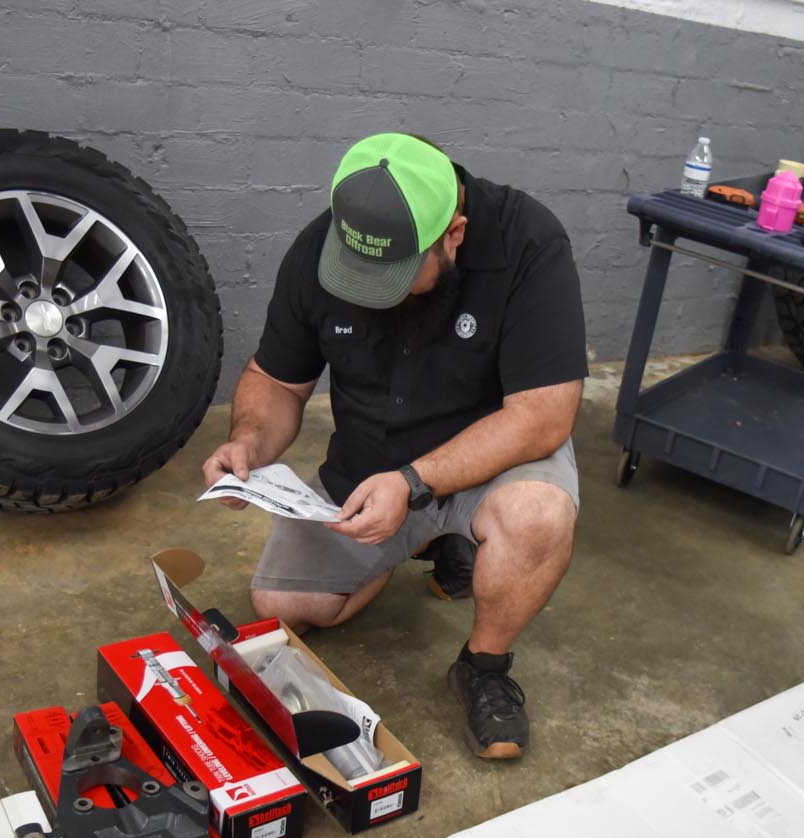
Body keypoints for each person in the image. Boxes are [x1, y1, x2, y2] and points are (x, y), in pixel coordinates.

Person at [201, 132, 586, 760]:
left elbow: (543, 418)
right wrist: (247, 442)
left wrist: (414, 483)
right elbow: (276, 381)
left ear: (453, 234)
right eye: (356, 270)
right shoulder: (320, 248)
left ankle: (483, 668)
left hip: (491, 461)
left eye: (394, 275)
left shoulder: (530, 244)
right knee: (282, 605)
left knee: (537, 519)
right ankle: (429, 539)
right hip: (370, 466)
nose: (365, 288)